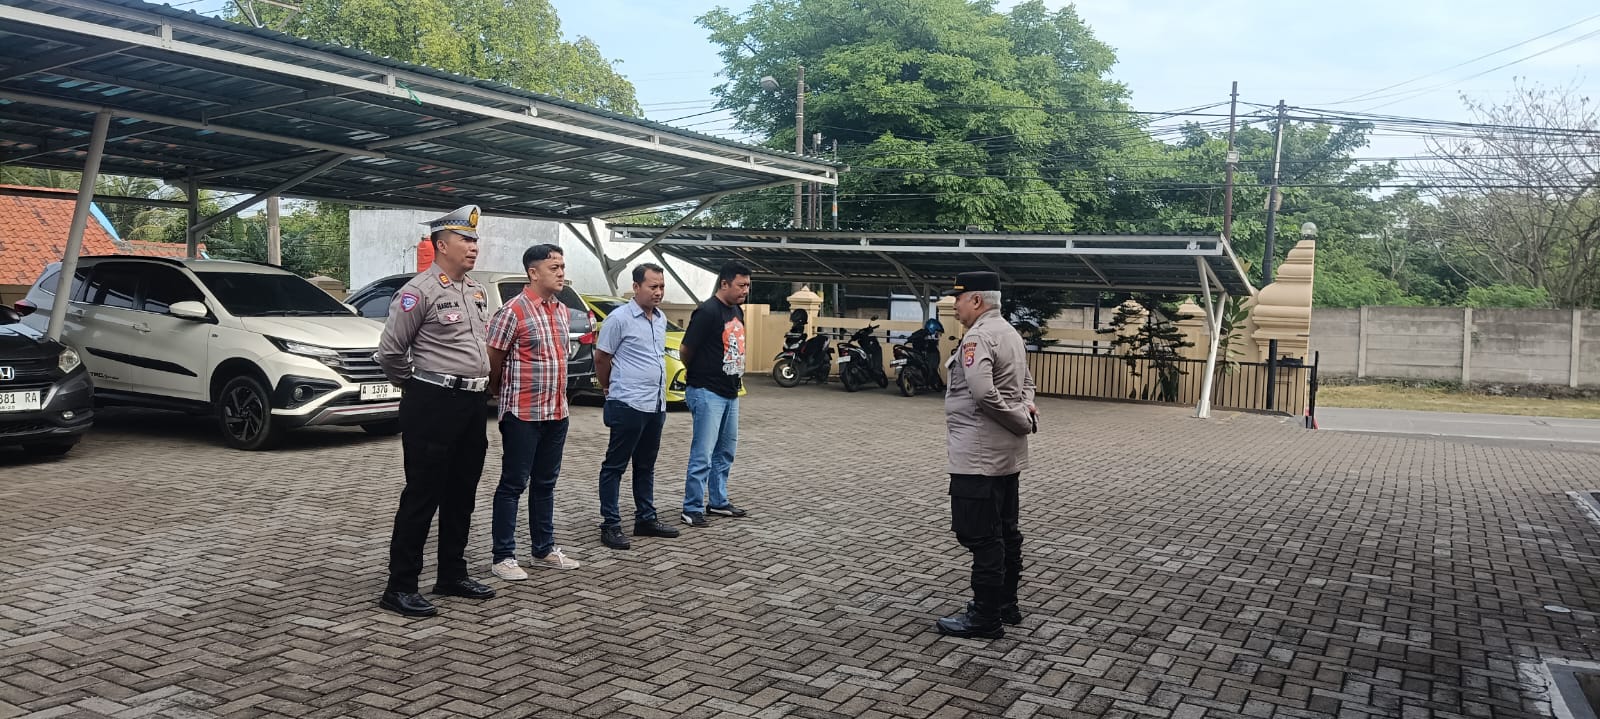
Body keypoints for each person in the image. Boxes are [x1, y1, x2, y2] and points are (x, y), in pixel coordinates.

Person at [375, 204, 496, 618]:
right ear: (441, 245)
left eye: (475, 240)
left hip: (471, 403)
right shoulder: (419, 291)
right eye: (465, 239)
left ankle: (451, 574)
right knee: (423, 494)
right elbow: (391, 351)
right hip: (432, 401)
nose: (473, 247)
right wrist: (413, 385)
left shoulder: (475, 291)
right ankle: (400, 585)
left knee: (462, 492)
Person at [935, 271, 1037, 639]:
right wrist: (1025, 409)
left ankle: (984, 617)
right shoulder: (1010, 333)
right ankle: (1006, 604)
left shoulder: (978, 337)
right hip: (1006, 457)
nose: (954, 305)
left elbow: (982, 393)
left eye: (958, 298)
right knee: (1006, 532)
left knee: (981, 536)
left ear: (976, 300)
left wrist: (1018, 420)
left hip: (977, 457)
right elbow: (1027, 383)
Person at [486, 244, 580, 580]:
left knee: (546, 483)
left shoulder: (562, 310)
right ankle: (503, 556)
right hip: (523, 414)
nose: (561, 273)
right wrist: (499, 392)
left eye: (563, 266)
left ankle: (544, 548)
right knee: (513, 484)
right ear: (533, 272)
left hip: (556, 412)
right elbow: (493, 360)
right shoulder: (512, 311)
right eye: (554, 267)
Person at [593, 263, 681, 549]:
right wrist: (609, 388)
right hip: (628, 403)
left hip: (655, 405)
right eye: (652, 286)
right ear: (636, 287)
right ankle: (610, 524)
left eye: (661, 286)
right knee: (615, 466)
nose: (658, 292)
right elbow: (602, 358)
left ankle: (646, 518)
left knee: (646, 465)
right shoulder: (619, 319)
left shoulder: (660, 318)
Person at [679, 262, 752, 527]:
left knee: (725, 451)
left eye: (747, 285)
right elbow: (686, 350)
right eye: (741, 285)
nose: (745, 290)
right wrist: (700, 374)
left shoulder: (736, 311)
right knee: (703, 453)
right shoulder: (707, 311)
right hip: (706, 391)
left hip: (730, 391)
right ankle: (692, 507)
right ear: (724, 283)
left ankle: (718, 501)